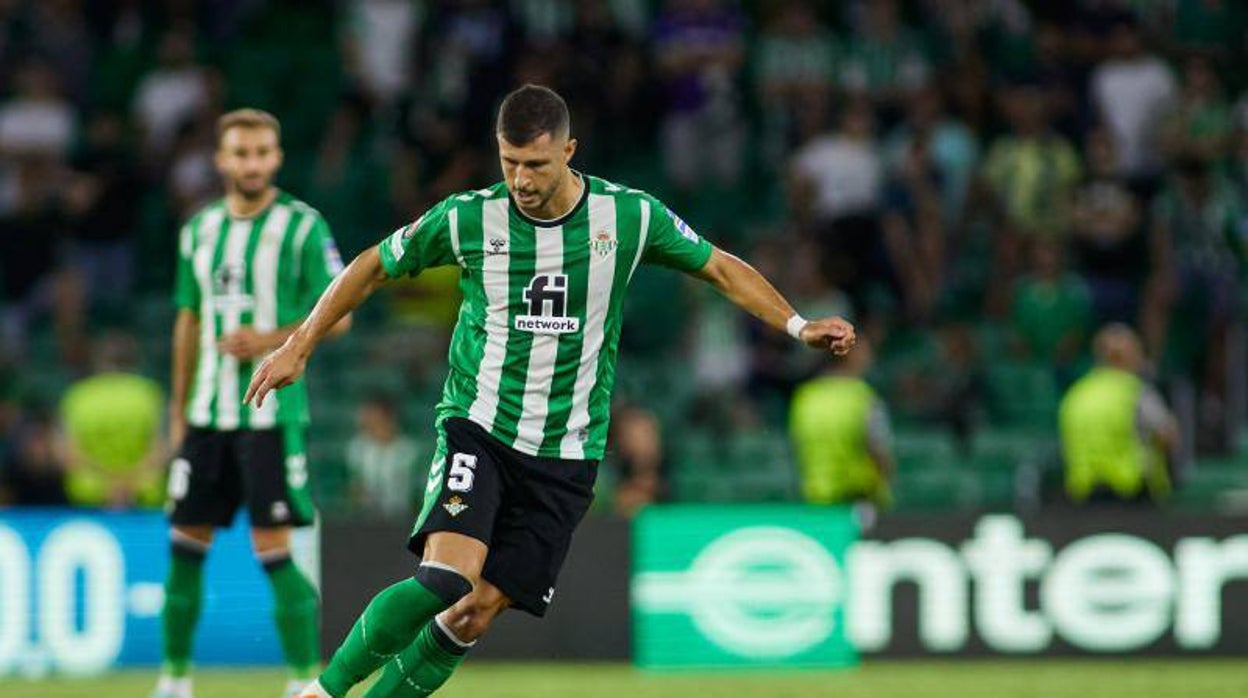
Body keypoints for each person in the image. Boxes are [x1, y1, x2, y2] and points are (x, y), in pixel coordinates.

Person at [245, 84, 855, 698]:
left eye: (535, 164)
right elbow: (372, 264)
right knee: (445, 581)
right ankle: (322, 691)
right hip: (479, 424)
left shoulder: (628, 217)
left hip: (566, 454)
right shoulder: (467, 217)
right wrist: (299, 343)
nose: (520, 179)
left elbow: (720, 266)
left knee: (472, 616)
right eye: (509, 162)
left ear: (569, 150)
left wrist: (797, 325)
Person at [152, 109, 351, 698]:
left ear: (278, 158)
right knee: (185, 544)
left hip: (271, 414)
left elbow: (337, 317)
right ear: (221, 160)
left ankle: (300, 682)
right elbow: (187, 320)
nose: (252, 163)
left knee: (273, 547)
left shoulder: (303, 227)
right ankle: (174, 681)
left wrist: (268, 342)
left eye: (263, 152)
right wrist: (178, 408)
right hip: (208, 415)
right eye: (241, 153)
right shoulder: (199, 230)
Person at [1058, 324, 1178, 504]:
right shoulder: (1137, 393)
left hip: (1084, 497)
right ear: (1126, 357)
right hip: (1133, 495)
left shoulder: (1076, 394)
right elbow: (1167, 436)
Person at [60, 331, 164, 509]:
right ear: (134, 361)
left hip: (89, 495)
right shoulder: (150, 393)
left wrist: (107, 485)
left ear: (97, 361)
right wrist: (128, 484)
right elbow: (161, 449)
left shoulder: (77, 395)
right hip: (143, 494)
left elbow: (69, 454)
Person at [788, 338, 892, 511]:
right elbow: (878, 450)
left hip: (817, 499)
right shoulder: (863, 397)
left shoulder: (804, 396)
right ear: (851, 356)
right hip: (861, 497)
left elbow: (797, 444)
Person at [345, 395, 421, 517]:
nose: (368, 420)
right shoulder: (358, 447)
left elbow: (418, 491)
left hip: (403, 517)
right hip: (365, 517)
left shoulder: (408, 449)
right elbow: (353, 488)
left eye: (374, 416)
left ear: (389, 418)